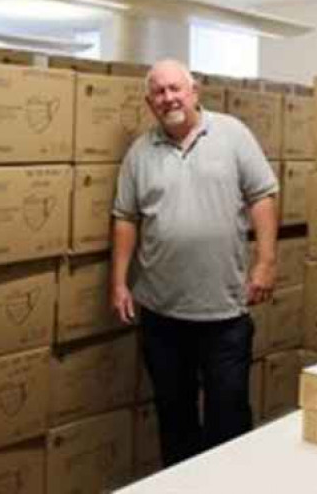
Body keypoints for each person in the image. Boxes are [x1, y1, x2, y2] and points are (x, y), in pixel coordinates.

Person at [111, 59, 279, 467]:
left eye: (175, 88)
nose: (168, 98)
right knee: (175, 419)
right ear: (149, 102)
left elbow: (263, 196)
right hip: (162, 315)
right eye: (159, 92)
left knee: (229, 421)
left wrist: (267, 261)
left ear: (194, 91)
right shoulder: (140, 152)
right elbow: (126, 218)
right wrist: (118, 282)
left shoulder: (233, 135)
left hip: (223, 313)